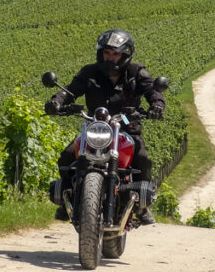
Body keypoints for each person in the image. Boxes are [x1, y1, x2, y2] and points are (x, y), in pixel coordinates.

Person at [45, 29, 164, 225]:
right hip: (96, 128)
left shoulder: (137, 73)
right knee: (67, 156)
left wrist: (157, 106)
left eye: (115, 54)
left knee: (142, 158)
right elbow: (71, 90)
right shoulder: (90, 72)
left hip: (126, 127)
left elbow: (153, 92)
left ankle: (142, 207)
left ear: (125, 55)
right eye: (107, 53)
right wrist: (56, 102)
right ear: (101, 53)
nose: (110, 58)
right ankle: (67, 201)